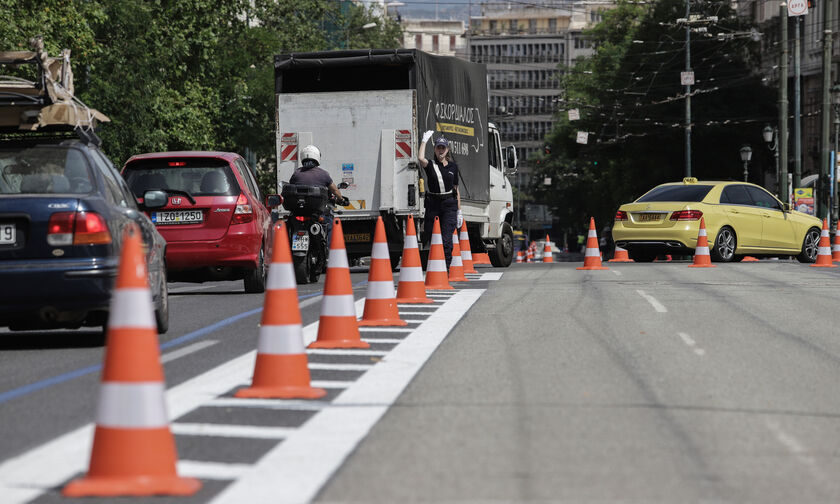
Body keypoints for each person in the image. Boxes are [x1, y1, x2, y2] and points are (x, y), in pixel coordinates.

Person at [419, 130, 462, 267]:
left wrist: (459, 211)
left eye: (443, 148)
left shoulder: (453, 167)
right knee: (431, 235)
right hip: (433, 204)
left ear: (447, 149)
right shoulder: (431, 165)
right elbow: (420, 158)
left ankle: (446, 267)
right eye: (438, 148)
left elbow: (456, 189)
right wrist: (424, 140)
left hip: (449, 204)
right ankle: (434, 265)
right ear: (435, 149)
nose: (441, 150)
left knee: (446, 238)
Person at [289, 144, 349, 243]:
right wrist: (341, 199)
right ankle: (328, 253)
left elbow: (291, 188)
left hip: (298, 211)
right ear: (317, 157)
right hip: (316, 212)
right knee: (329, 223)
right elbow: (334, 190)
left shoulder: (296, 173)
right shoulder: (323, 174)